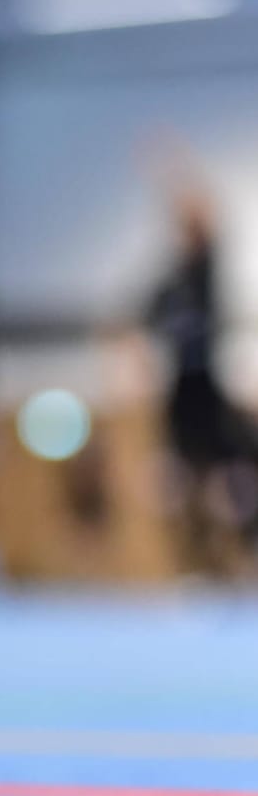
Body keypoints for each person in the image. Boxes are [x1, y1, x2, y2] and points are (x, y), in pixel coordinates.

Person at [145, 179, 258, 578]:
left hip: (206, 384)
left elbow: (207, 225)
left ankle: (242, 550)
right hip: (180, 390)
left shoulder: (204, 270)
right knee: (178, 482)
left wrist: (174, 172)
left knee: (233, 473)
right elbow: (142, 317)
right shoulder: (170, 281)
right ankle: (196, 560)